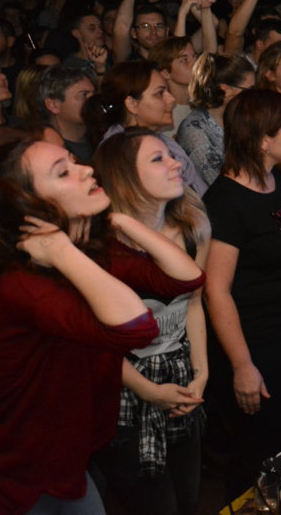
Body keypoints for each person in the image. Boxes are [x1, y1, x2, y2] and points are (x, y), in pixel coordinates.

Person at [0, 139, 203, 515]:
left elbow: (186, 277)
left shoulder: (91, 253)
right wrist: (59, 249)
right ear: (30, 204)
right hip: (21, 471)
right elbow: (137, 329)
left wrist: (118, 218)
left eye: (75, 161)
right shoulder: (25, 285)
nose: (86, 169)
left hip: (71, 453)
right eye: (63, 172)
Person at [202, 89, 281, 498]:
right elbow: (216, 291)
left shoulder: (276, 181)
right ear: (262, 141)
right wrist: (242, 365)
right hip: (257, 341)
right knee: (257, 449)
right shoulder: (225, 201)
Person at [90, 130, 211, 515]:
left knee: (189, 497)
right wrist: (148, 390)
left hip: (178, 373)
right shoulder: (101, 249)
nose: (177, 163)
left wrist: (201, 373)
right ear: (125, 176)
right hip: (123, 387)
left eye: (171, 155)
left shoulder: (192, 226)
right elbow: (95, 341)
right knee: (155, 505)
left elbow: (194, 304)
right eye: (158, 159)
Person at [84, 60, 207, 197]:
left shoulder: (160, 139)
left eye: (168, 91)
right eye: (160, 93)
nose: (171, 99)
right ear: (132, 104)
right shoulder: (120, 156)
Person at [175, 52, 256, 188]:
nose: (256, 96)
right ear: (225, 90)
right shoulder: (194, 131)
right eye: (250, 90)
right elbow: (222, 185)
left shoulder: (243, 117)